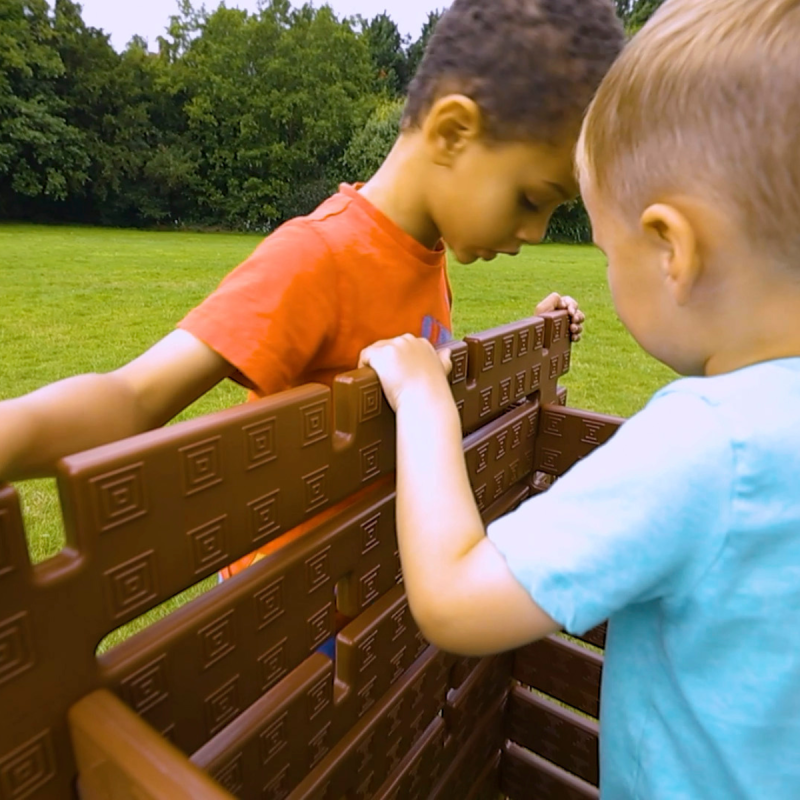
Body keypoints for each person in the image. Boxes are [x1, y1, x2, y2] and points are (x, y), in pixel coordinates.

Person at [0, 0, 624, 584]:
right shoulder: (316, 255)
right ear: (454, 132)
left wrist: (530, 332)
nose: (536, 233)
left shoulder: (423, 254)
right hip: (289, 606)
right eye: (532, 199)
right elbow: (134, 397)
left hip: (360, 582)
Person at [359, 0, 800, 796]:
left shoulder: (711, 444)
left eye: (604, 245)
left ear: (673, 247)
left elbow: (457, 602)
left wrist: (426, 403)